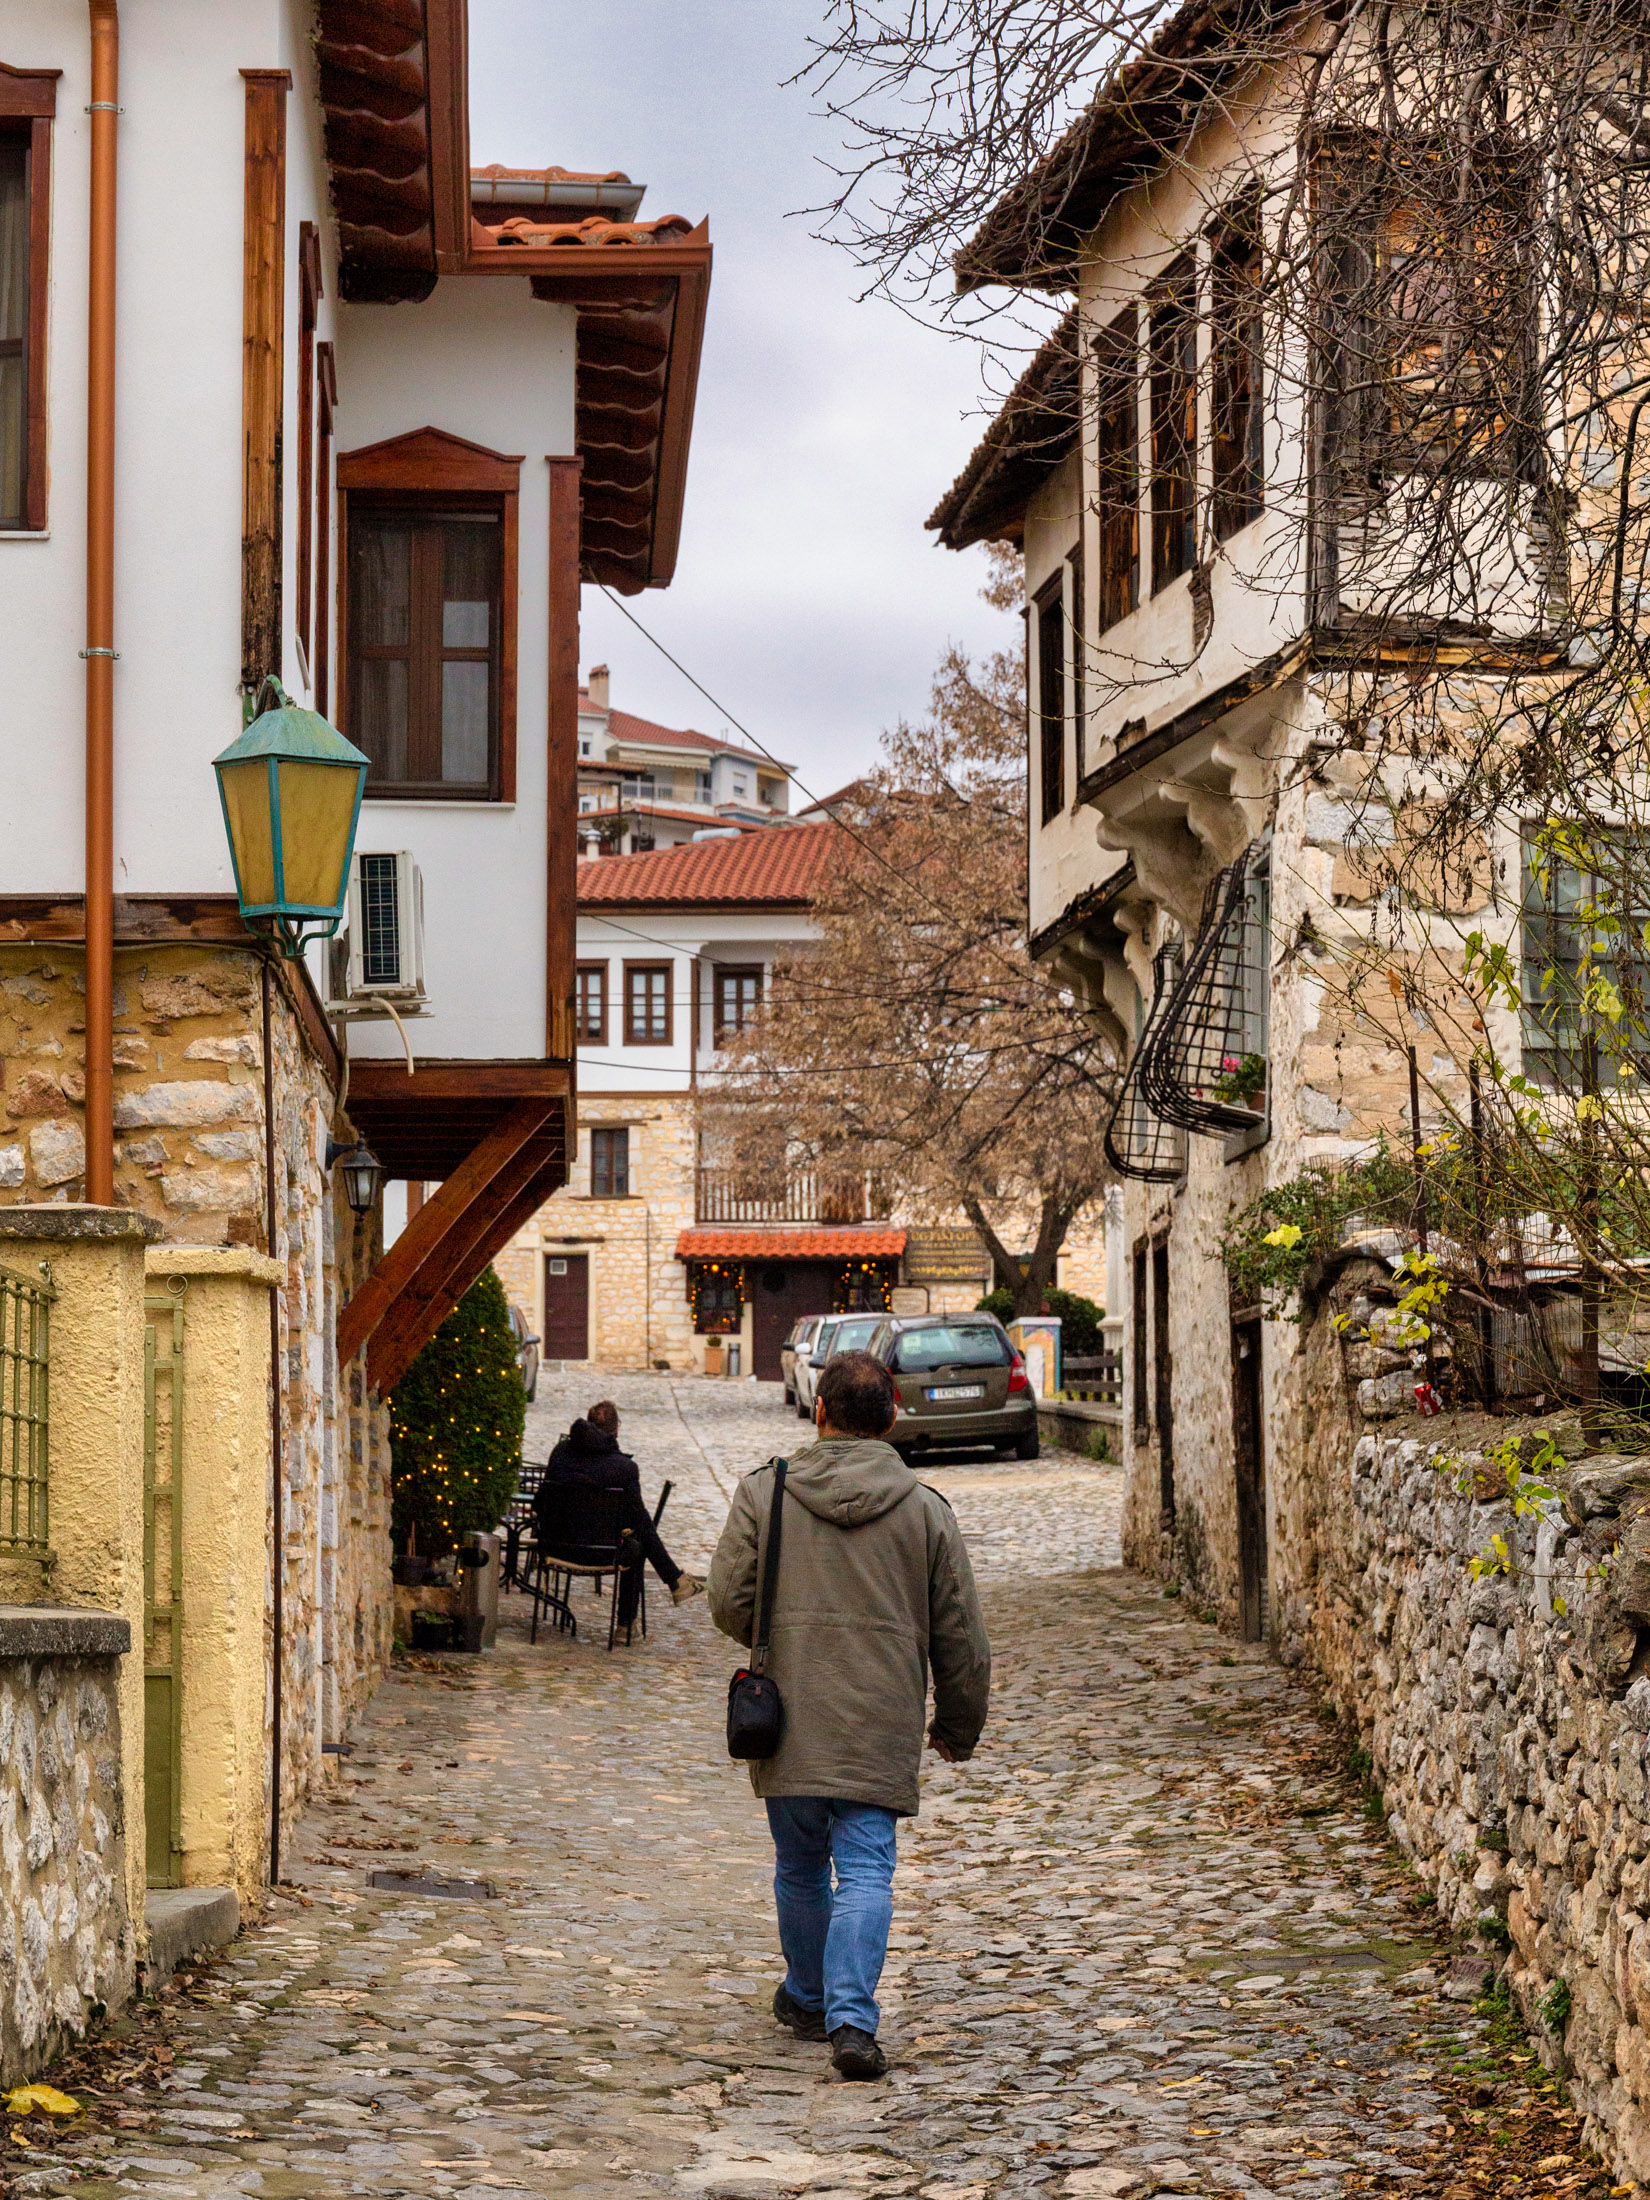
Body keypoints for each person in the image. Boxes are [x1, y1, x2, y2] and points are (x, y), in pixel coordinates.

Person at [708, 1350, 990, 2081]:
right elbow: (961, 1633)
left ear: (820, 1412)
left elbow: (728, 1600)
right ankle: (852, 2024)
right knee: (866, 1869)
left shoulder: (767, 1492)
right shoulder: (925, 1510)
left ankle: (807, 1998)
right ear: (892, 1419)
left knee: (800, 1863)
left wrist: (779, 1636)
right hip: (880, 1718)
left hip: (789, 1714)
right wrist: (957, 1726)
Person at [536, 1401, 703, 1627]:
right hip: (604, 1554)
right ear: (616, 1430)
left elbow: (541, 1501)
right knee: (638, 1542)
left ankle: (675, 1580)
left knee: (638, 1532)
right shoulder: (623, 1468)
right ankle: (627, 1623)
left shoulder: (560, 1454)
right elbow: (639, 1520)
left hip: (555, 1546)